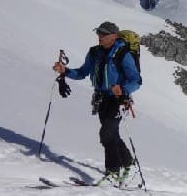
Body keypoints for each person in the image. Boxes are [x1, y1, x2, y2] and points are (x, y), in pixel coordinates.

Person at [52, 21, 141, 185]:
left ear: (114, 36)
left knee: (107, 134)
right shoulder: (95, 53)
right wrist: (65, 71)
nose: (99, 37)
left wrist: (122, 89)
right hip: (101, 99)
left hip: (118, 100)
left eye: (103, 34)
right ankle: (129, 164)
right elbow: (82, 72)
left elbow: (136, 80)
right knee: (112, 135)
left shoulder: (123, 54)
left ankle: (113, 172)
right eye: (99, 34)